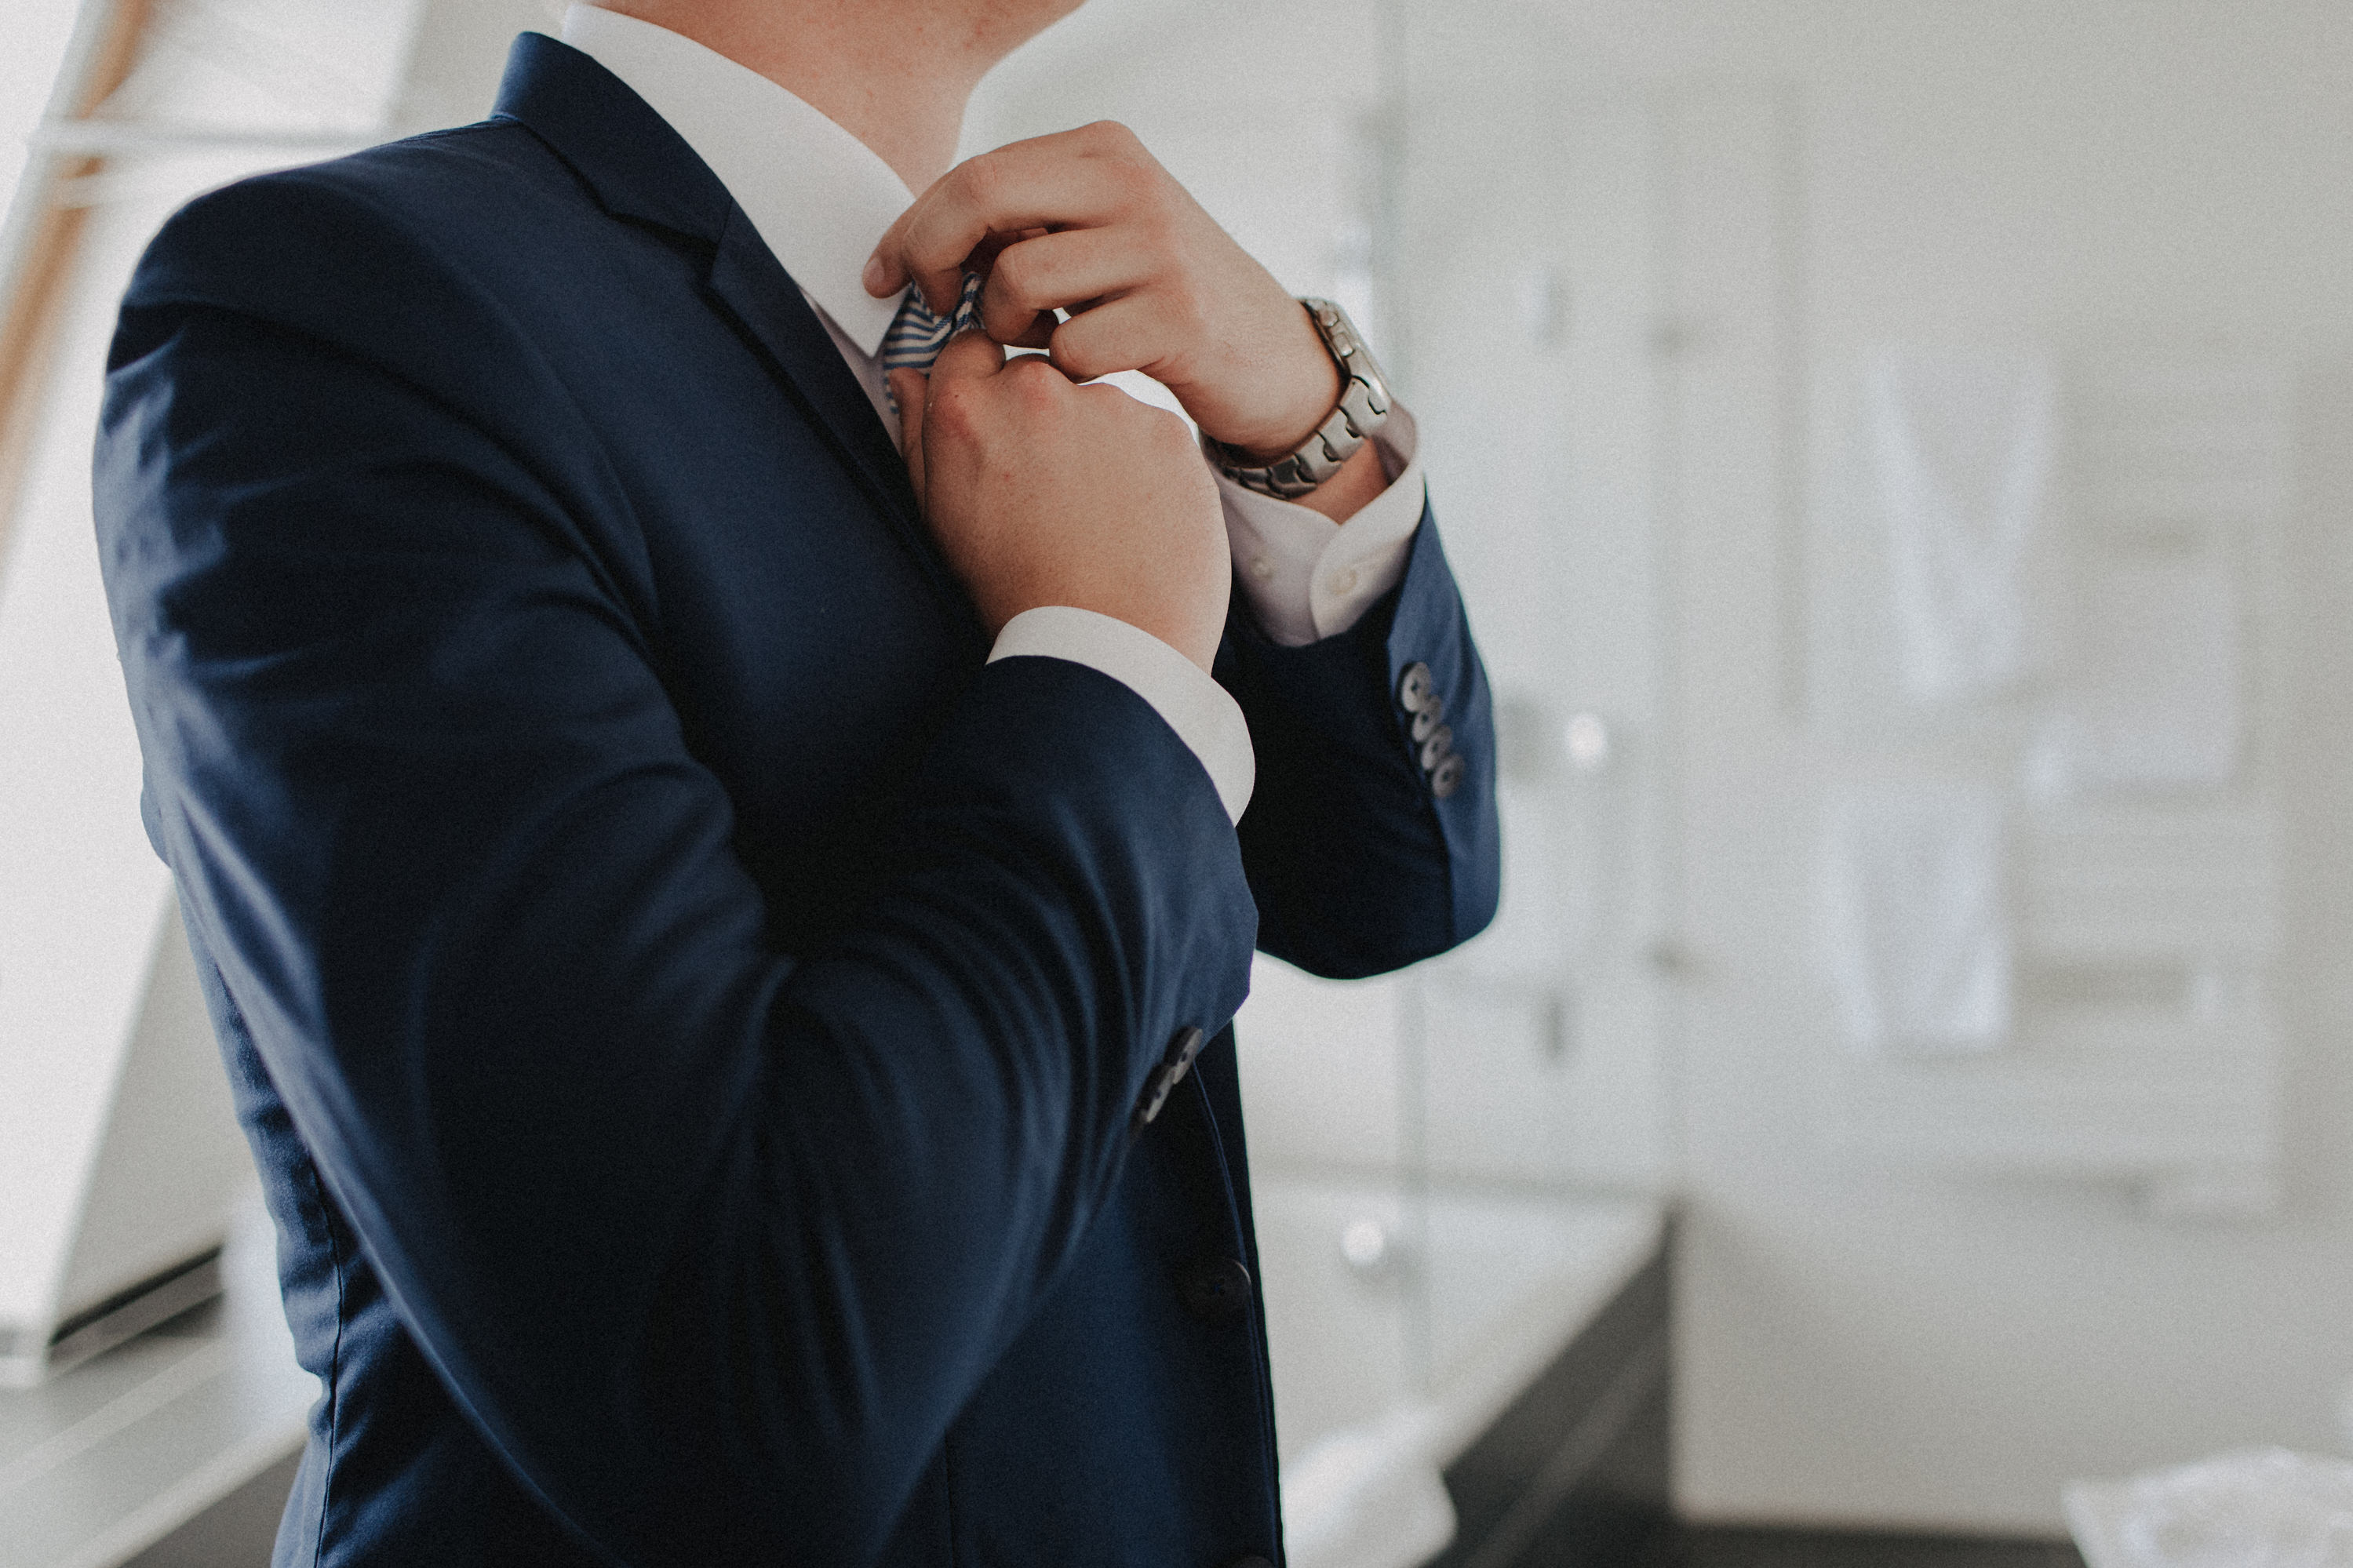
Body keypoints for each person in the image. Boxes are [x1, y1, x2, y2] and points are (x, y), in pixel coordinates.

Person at [93, 0, 1498, 1561]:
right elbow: (736, 1390)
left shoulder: (1029, 332)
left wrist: (1311, 419)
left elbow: (1402, 886)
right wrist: (1109, 654)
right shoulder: (342, 319)